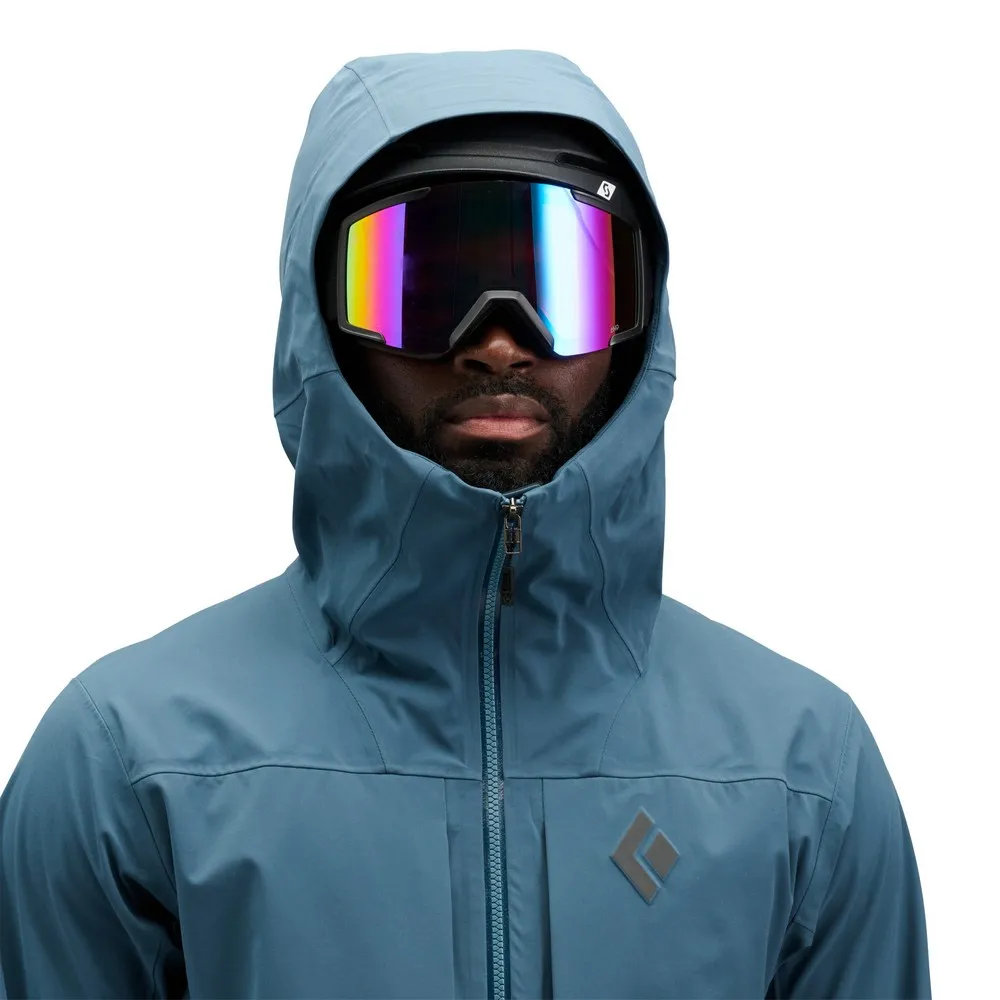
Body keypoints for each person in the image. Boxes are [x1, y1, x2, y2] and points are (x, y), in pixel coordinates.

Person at [0, 49, 930, 999]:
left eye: (561, 288)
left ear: (640, 318)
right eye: (420, 285)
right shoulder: (131, 763)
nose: (496, 340)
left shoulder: (801, 769)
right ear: (318, 318)